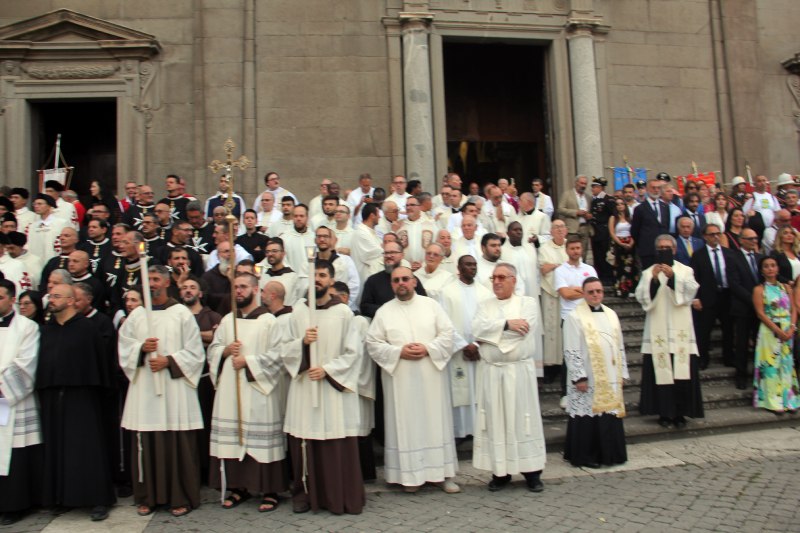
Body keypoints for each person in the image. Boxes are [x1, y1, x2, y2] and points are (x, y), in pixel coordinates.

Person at [118, 265, 204, 518]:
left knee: (177, 443)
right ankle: (147, 496)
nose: (152, 284)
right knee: (146, 442)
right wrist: (140, 349)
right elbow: (124, 347)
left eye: (156, 279)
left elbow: (196, 353)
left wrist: (169, 361)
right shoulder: (137, 315)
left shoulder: (181, 313)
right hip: (145, 388)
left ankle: (180, 496)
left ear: (167, 283)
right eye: (148, 279)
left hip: (174, 388)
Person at [366, 266, 459, 494]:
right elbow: (373, 344)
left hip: (431, 378)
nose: (401, 283)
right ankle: (409, 476)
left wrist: (428, 348)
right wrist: (399, 352)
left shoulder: (432, 306)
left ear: (414, 281)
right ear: (391, 284)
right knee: (406, 424)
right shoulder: (384, 312)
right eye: (396, 280)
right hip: (401, 380)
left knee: (435, 423)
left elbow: (448, 334)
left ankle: (441, 475)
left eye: (405, 279)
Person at [282, 260, 365, 514]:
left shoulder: (343, 313)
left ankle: (338, 496)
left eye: (322, 275)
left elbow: (354, 353)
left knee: (335, 441)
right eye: (313, 275)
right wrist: (302, 344)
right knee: (305, 440)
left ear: (331, 280)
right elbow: (284, 349)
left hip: (332, 391)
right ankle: (306, 495)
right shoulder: (298, 312)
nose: (317, 279)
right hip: (305, 388)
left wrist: (327, 369)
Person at [207, 273, 289, 512]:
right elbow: (213, 349)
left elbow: (279, 356)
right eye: (235, 287)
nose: (239, 291)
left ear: (255, 290)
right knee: (234, 439)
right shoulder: (228, 320)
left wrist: (248, 361)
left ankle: (269, 490)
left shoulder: (268, 321)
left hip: (258, 389)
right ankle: (238, 487)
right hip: (231, 389)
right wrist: (224, 351)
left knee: (260, 440)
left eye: (243, 287)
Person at [37, 283, 116, 521]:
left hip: (82, 396)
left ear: (71, 300)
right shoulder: (47, 330)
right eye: (50, 296)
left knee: (87, 448)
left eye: (57, 296)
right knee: (58, 448)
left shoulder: (87, 329)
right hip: (53, 396)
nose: (51, 300)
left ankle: (98, 498)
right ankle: (62, 497)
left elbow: (99, 363)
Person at [471, 263, 546, 492]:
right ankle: (500, 472)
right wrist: (505, 324)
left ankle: (532, 472)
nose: (496, 281)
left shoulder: (527, 303)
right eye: (493, 277)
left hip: (518, 372)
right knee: (496, 421)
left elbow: (523, 332)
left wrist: (492, 335)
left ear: (514, 280)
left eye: (502, 277)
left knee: (523, 419)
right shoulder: (484, 305)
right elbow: (476, 330)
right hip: (492, 372)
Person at [636, 235, 704, 429]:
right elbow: (642, 298)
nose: (664, 250)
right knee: (660, 374)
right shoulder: (648, 272)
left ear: (674, 250)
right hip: (658, 334)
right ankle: (664, 414)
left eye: (667, 247)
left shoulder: (685, 270)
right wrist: (654, 280)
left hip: (680, 333)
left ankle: (680, 414)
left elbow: (691, 292)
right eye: (660, 248)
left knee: (682, 375)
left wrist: (673, 277)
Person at [563, 277, 628, 468]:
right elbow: (571, 349)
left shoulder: (611, 314)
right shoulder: (574, 317)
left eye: (598, 291)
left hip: (611, 374)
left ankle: (611, 454)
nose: (595, 295)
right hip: (588, 376)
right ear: (583, 294)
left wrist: (622, 372)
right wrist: (579, 377)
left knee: (608, 414)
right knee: (588, 415)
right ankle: (587, 456)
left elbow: (620, 346)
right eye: (591, 292)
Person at [0, 279, 42, 526]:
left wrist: (2, 387)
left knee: (14, 453)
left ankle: (13, 505)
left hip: (13, 398)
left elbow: (27, 362)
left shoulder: (27, 327)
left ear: (12, 299)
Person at [438, 255, 491, 440]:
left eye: (475, 265)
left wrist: (476, 344)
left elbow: (490, 322)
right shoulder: (447, 292)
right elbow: (444, 323)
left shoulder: (485, 293)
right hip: (458, 351)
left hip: (480, 349)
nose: (473, 268)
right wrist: (463, 345)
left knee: (479, 389)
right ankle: (461, 431)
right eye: (468, 265)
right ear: (459, 268)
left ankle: (480, 429)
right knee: (460, 388)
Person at [753, 257, 800, 412]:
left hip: (787, 329)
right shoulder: (759, 290)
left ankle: (789, 399)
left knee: (786, 364)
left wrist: (792, 328)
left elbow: (793, 309)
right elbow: (760, 314)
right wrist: (777, 330)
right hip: (769, 331)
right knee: (771, 366)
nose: (770, 268)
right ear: (762, 270)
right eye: (766, 266)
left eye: (773, 265)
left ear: (778, 268)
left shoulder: (786, 288)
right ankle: (773, 401)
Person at [691, 223, 736, 369]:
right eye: (712, 234)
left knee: (728, 330)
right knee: (704, 330)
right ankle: (703, 359)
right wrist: (696, 297)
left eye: (718, 233)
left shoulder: (729, 253)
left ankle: (728, 357)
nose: (716, 237)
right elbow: (694, 277)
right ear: (705, 236)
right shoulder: (698, 255)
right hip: (707, 297)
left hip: (726, 296)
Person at [727, 228, 764, 389]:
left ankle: (759, 376)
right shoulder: (733, 258)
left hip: (761, 309)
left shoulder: (760, 257)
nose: (754, 241)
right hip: (743, 307)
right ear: (741, 240)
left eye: (755, 238)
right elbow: (734, 284)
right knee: (742, 344)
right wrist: (754, 299)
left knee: (760, 343)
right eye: (750, 239)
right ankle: (741, 375)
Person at [539, 220, 568, 383]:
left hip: (568, 296)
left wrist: (555, 266)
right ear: (550, 231)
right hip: (550, 293)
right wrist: (560, 266)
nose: (559, 230)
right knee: (551, 329)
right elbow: (543, 269)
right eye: (556, 227)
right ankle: (551, 367)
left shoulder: (570, 246)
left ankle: (566, 365)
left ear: (566, 230)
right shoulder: (545, 248)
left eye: (561, 227)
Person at [631, 178, 671, 269]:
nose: (656, 190)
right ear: (647, 189)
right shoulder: (640, 209)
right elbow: (635, 231)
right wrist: (643, 244)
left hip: (664, 250)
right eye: (653, 188)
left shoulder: (665, 207)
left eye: (658, 188)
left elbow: (666, 227)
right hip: (648, 250)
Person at [557, 175, 592, 257]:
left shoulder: (588, 197)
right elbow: (560, 209)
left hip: (584, 229)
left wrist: (589, 215)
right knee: (571, 253)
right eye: (581, 183)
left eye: (585, 184)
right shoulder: (567, 194)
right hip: (572, 230)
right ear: (576, 183)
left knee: (583, 254)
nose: (583, 186)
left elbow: (590, 212)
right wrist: (576, 212)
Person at [608, 197, 637, 297]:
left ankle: (629, 289)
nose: (620, 206)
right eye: (618, 204)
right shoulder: (613, 218)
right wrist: (620, 243)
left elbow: (634, 232)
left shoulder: (630, 218)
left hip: (629, 243)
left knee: (629, 267)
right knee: (619, 267)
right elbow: (612, 232)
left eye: (622, 204)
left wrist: (631, 243)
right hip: (618, 243)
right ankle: (619, 289)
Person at [590, 177, 616, 283]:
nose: (592, 189)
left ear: (600, 187)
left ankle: (608, 278)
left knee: (605, 255)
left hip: (604, 232)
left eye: (594, 187)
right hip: (595, 232)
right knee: (597, 255)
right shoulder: (594, 200)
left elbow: (613, 215)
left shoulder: (608, 199)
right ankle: (599, 276)